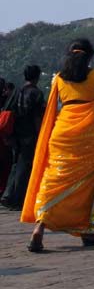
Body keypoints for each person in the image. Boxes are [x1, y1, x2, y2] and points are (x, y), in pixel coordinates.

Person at [23, 40, 94, 252]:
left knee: (54, 178)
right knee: (85, 184)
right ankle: (84, 230)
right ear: (89, 57)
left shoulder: (58, 78)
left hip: (62, 133)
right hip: (89, 136)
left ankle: (40, 226)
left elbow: (57, 104)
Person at [1, 65, 46, 210]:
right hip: (29, 135)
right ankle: (17, 199)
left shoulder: (17, 92)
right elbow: (37, 117)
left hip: (15, 135)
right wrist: (40, 135)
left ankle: (8, 195)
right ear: (37, 77)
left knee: (16, 165)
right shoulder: (36, 93)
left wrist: (9, 134)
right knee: (24, 167)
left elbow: (7, 111)